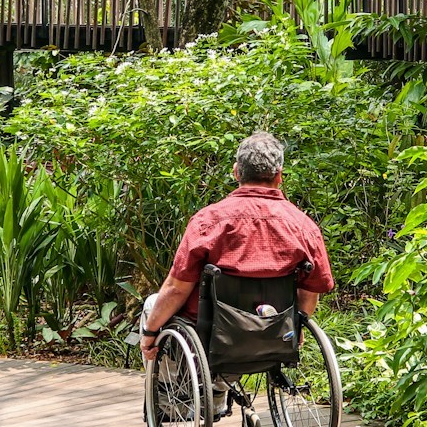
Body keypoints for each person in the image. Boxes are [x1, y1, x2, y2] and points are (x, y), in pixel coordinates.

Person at [140, 131, 334, 368]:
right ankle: (220, 389)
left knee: (153, 304)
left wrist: (149, 334)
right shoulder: (303, 226)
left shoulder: (208, 221)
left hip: (213, 333)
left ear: (236, 172)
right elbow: (311, 290)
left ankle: (168, 393)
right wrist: (297, 323)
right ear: (279, 176)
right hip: (273, 331)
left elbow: (176, 289)